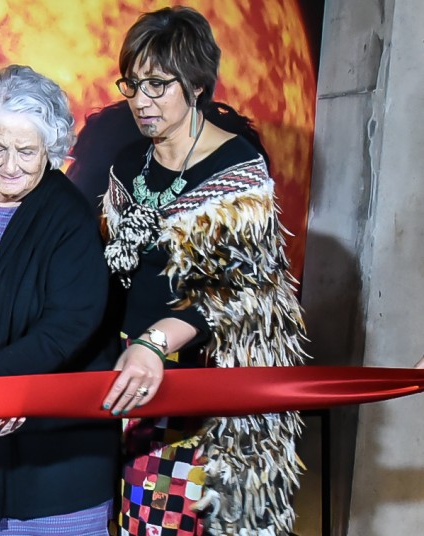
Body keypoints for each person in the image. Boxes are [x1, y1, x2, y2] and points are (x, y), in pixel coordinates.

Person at [100, 7, 307, 536]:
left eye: (157, 85)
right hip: (133, 376)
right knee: (135, 520)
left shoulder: (237, 168)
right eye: (132, 84)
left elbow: (238, 295)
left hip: (204, 384)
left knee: (189, 521)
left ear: (195, 83)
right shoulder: (127, 163)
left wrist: (153, 342)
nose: (140, 101)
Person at [0, 64, 119, 535]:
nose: (9, 165)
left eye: (26, 151)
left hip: (52, 466)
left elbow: (70, 325)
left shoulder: (69, 216)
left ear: (49, 149)